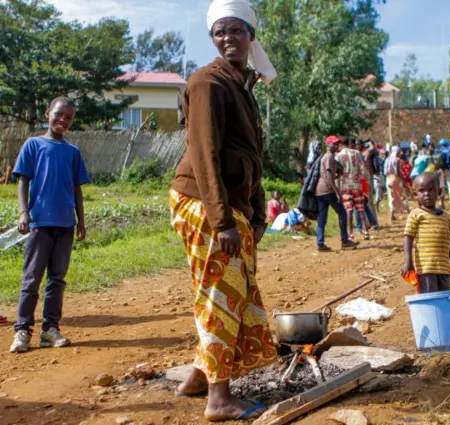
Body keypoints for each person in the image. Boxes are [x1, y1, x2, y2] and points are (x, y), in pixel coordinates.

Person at [169, 2, 281, 419]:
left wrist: (255, 215)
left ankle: (200, 375)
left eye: (236, 31)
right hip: (203, 202)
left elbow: (250, 156)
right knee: (221, 294)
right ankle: (219, 399)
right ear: (213, 39)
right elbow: (204, 155)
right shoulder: (207, 83)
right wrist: (222, 223)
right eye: (220, 32)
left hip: (226, 204)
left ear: (251, 37)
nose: (228, 38)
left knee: (231, 290)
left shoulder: (240, 86)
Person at [10, 97, 90, 354]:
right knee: (32, 278)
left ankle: (50, 330)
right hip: (39, 223)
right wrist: (24, 213)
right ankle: (23, 330)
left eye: (69, 117)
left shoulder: (73, 152)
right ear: (47, 113)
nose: (63, 120)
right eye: (59, 114)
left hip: (65, 223)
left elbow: (76, 188)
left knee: (57, 279)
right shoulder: (34, 145)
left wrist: (81, 220)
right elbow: (23, 180)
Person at [402, 174, 450, 293]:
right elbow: (408, 238)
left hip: (443, 268)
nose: (427, 194)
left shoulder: (445, 217)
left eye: (431, 189)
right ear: (415, 194)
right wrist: (408, 261)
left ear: (439, 191)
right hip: (426, 268)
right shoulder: (416, 214)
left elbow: (449, 241)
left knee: (443, 298)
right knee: (429, 298)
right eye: (421, 191)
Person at [315, 136, 358, 252]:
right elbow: (328, 176)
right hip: (328, 189)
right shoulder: (329, 157)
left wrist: (338, 174)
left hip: (319, 190)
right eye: (333, 144)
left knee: (322, 218)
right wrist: (337, 192)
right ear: (328, 145)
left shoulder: (327, 157)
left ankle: (320, 243)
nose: (336, 146)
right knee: (342, 213)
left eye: (337, 144)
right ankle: (344, 241)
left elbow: (329, 173)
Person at [336, 139, 370, 240]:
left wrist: (337, 189)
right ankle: (366, 232)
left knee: (349, 210)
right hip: (357, 185)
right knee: (360, 209)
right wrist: (367, 182)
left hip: (345, 186)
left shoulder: (338, 156)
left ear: (341, 144)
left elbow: (337, 173)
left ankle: (350, 234)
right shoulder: (357, 153)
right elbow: (362, 169)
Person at [385, 146, 409, 221]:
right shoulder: (397, 160)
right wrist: (404, 181)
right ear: (397, 152)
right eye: (399, 152)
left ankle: (392, 215)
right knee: (402, 195)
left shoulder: (387, 159)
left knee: (391, 197)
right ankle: (409, 212)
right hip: (396, 179)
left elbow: (385, 171)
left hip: (388, 179)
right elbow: (399, 172)